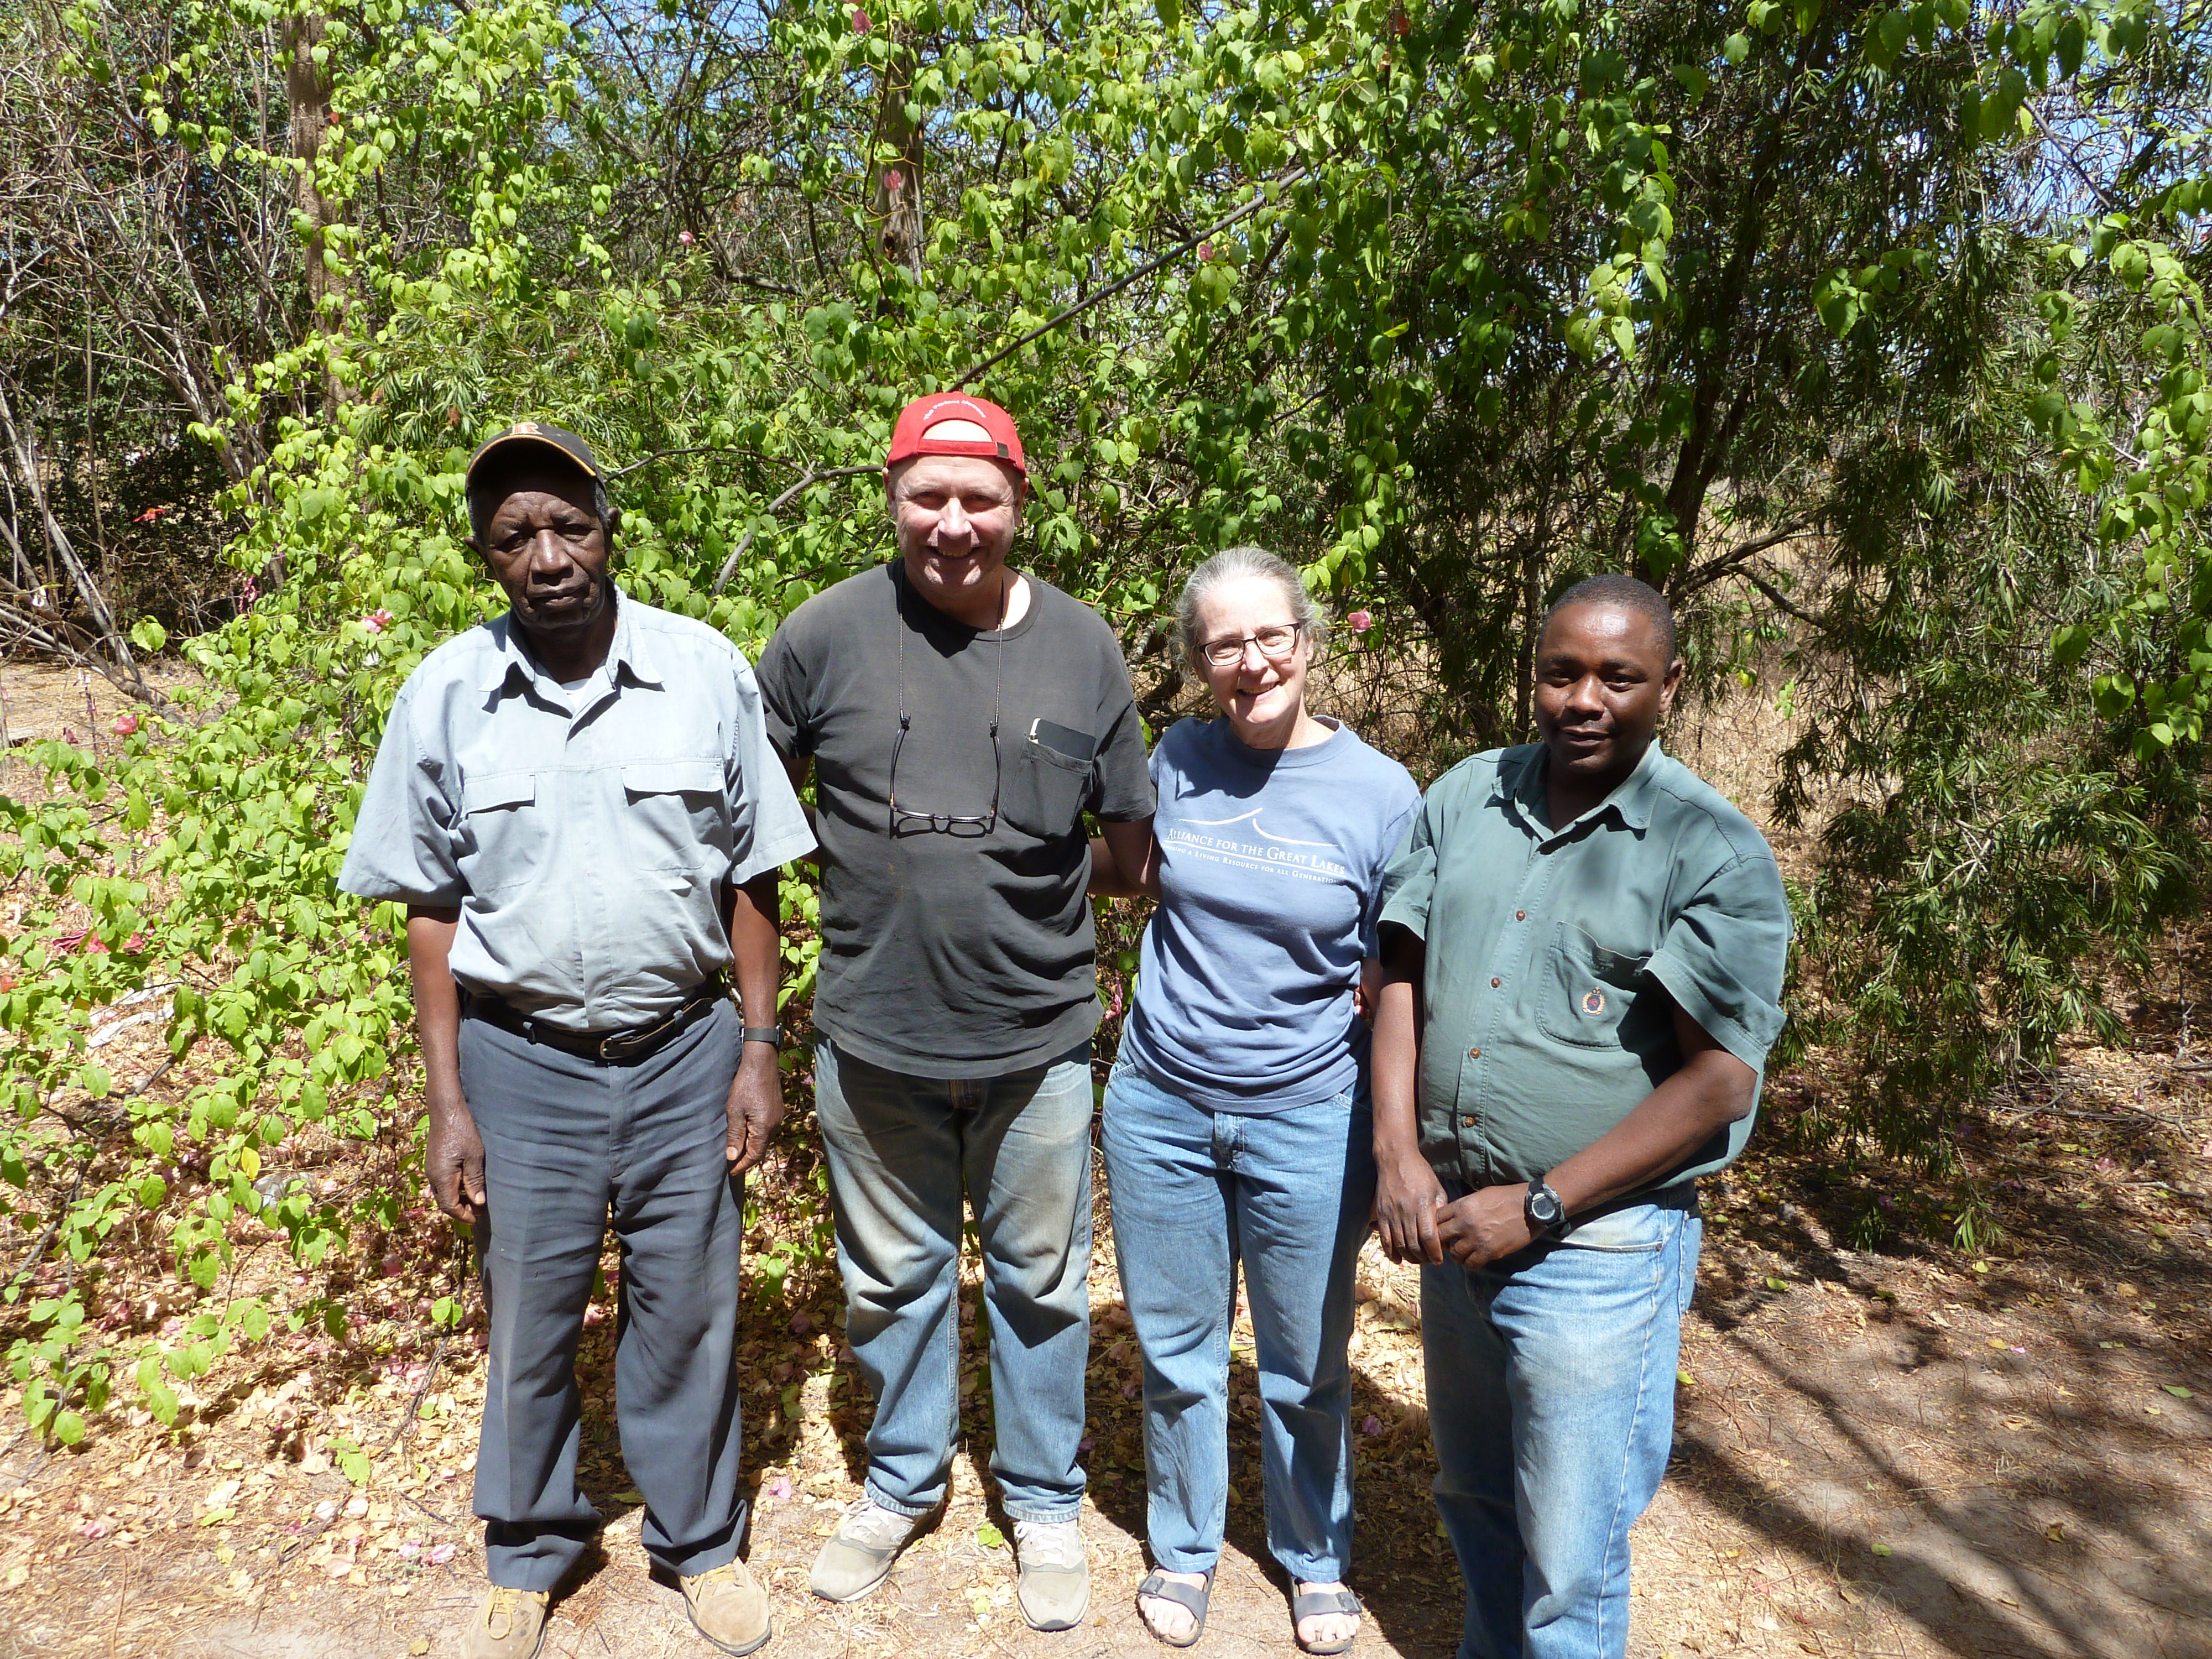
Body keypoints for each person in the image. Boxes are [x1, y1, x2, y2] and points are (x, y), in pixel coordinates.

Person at [338, 422, 815, 1659]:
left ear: (609, 530)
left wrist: (759, 1048)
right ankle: (528, 1551)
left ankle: (700, 1542)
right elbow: (430, 915)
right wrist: (448, 1100)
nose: (546, 556)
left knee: (689, 1308)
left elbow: (754, 878)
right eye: (514, 538)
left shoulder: (705, 668)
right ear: (486, 558)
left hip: (685, 1053)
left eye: (567, 526)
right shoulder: (445, 694)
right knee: (532, 1311)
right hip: (519, 1062)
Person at [754, 394, 1156, 1631]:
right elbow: (754, 836)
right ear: (890, 498)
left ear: (1017, 505)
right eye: (926, 496)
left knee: (1038, 1282)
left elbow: (1129, 852)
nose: (951, 523)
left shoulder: (1084, 649)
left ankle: (1040, 1498)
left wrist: (1022, 889)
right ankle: (900, 1484)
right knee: (890, 1283)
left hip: (1035, 1040)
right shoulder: (820, 637)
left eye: (977, 498)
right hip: (870, 1037)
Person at [1370, 573, 1791, 1659]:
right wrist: (1396, 1157)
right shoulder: (1467, 797)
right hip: (1456, 1224)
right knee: (1473, 1500)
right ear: (1535, 674)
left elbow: (1716, 1085)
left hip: (1594, 1250)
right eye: (1561, 672)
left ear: (1668, 687)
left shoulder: (1707, 851)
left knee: (1570, 1554)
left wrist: (1545, 1204)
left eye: (1618, 676)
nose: (1583, 699)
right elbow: (1396, 977)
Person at [1088, 547, 1420, 1653]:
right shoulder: (1174, 757)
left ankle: (1313, 1556)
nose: (1250, 659)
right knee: (1177, 1353)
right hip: (1161, 1103)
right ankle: (1183, 1548)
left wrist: (1392, 1136)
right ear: (1196, 662)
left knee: (1303, 1361)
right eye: (1223, 643)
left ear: (1308, 641)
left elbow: (1397, 972)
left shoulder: (1379, 793)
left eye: (1269, 634)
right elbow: (1126, 871)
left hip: (1306, 1114)